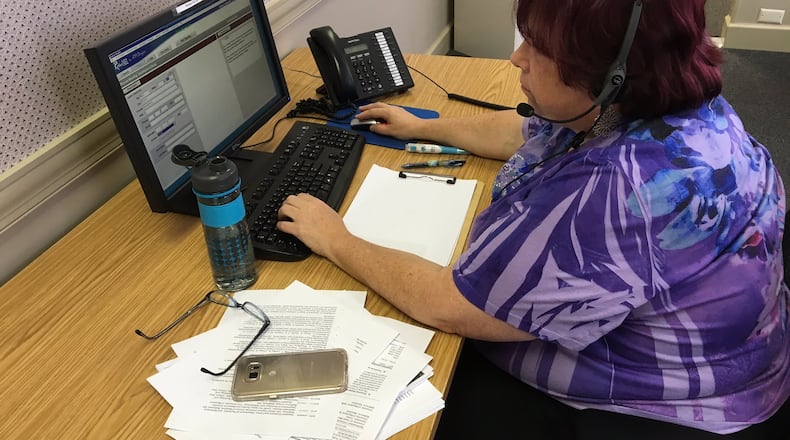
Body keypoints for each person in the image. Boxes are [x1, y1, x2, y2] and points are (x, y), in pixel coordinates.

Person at [277, 0, 790, 437]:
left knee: (413, 389)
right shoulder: (673, 105)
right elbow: (530, 130)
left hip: (665, 409)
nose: (516, 57)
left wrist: (336, 239)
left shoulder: (615, 189)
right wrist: (425, 127)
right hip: (735, 357)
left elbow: (449, 304)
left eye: (540, 48)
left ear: (610, 75)